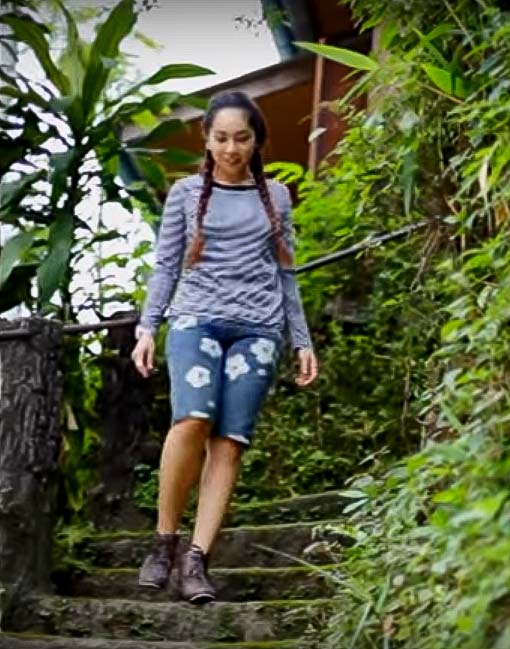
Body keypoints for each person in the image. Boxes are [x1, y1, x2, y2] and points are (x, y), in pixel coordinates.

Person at [130, 90, 318, 605]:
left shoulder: (275, 196)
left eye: (242, 138)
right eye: (221, 138)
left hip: (259, 329)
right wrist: (148, 326)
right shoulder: (186, 193)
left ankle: (197, 560)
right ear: (207, 140)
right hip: (195, 321)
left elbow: (286, 272)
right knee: (191, 420)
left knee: (229, 441)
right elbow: (167, 265)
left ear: (257, 141)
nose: (232, 148)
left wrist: (301, 340)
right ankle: (163, 543)